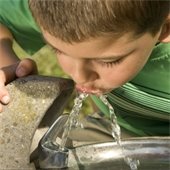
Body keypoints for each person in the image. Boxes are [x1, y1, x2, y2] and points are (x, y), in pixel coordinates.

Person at [0, 0, 169, 137]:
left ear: (165, 28)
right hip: (115, 130)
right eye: (58, 50)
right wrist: (8, 66)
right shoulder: (64, 9)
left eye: (108, 61)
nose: (80, 77)